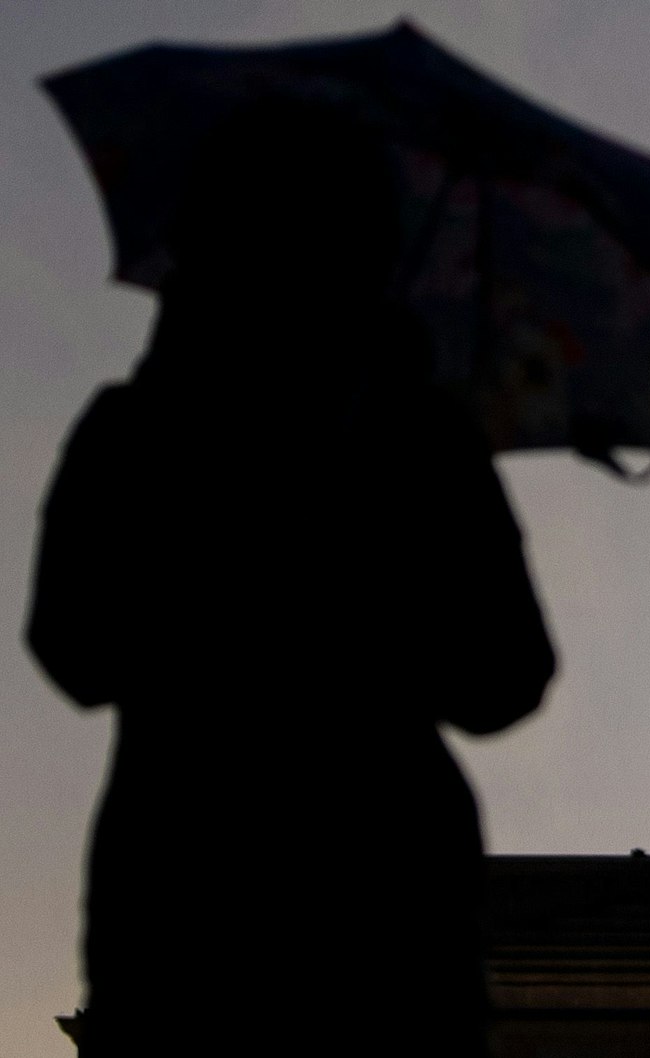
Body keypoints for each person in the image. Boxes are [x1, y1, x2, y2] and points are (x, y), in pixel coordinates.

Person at [25, 102, 556, 1056]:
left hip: (180, 897)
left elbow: (71, 649)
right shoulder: (424, 442)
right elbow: (504, 679)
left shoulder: (134, 430)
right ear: (373, 251)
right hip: (387, 907)